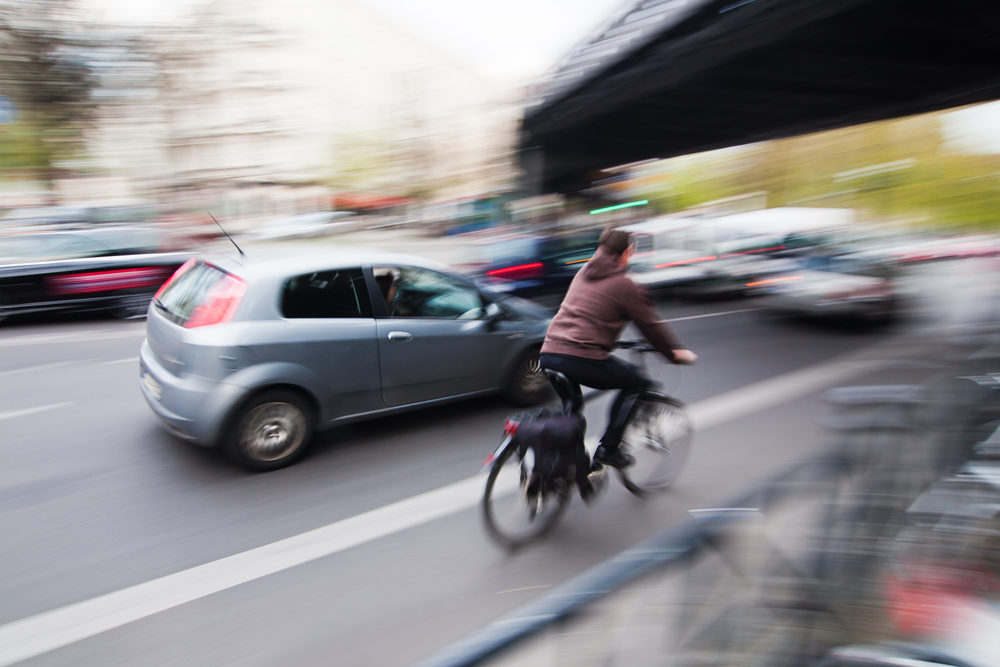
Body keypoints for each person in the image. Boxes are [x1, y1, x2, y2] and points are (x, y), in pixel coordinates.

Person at [539, 225, 697, 469]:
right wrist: (674, 354)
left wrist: (607, 340)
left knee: (573, 407)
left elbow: (584, 314)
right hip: (580, 357)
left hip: (549, 354)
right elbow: (650, 326)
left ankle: (569, 467)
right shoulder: (624, 285)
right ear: (627, 252)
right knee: (637, 383)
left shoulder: (583, 272)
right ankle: (608, 449)